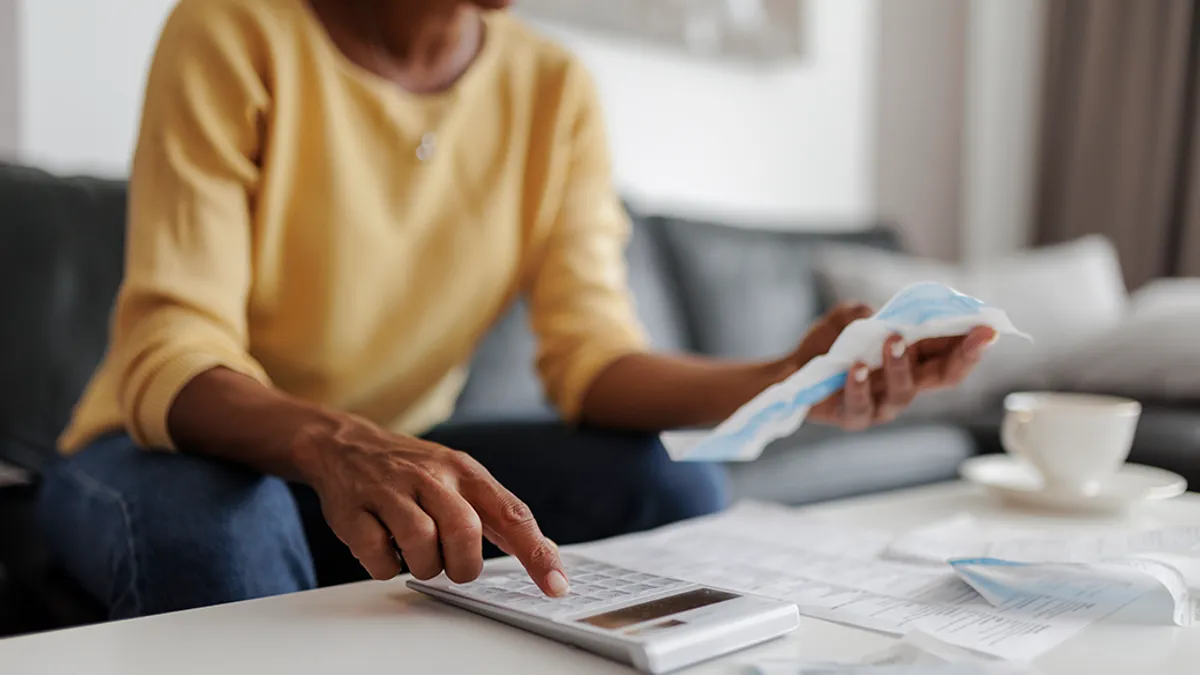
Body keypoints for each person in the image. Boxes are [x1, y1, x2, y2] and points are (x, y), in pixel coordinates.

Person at [38, 0, 997, 620]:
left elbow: (592, 358)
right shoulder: (232, 30)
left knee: (673, 488)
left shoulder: (552, 89)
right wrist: (337, 441)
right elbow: (173, 347)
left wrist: (785, 381)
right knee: (222, 533)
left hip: (391, 444)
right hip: (169, 446)